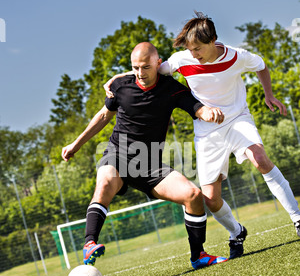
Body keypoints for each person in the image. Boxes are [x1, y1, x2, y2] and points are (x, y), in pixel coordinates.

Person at [104, 14, 300, 258]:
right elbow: (147, 68)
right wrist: (120, 77)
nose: (193, 53)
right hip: (207, 131)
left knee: (259, 159)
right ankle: (236, 232)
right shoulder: (181, 59)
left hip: (238, 119)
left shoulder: (236, 56)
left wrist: (268, 94)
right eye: (190, 48)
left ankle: (297, 218)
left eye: (198, 48)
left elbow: (261, 65)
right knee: (211, 200)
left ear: (214, 40)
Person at [62, 42, 227, 270]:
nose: (140, 73)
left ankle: (198, 255)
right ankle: (90, 243)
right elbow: (102, 117)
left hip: (149, 165)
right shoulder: (120, 86)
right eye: (135, 68)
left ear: (158, 64)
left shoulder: (171, 88)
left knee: (193, 195)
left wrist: (209, 113)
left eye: (145, 67)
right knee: (106, 181)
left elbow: (196, 107)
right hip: (117, 155)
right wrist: (76, 144)